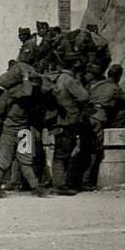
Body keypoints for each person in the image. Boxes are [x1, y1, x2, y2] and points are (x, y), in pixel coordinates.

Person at [0, 68, 50, 199]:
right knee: (4, 161)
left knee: (26, 160)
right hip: (10, 130)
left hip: (23, 130)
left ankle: (36, 187)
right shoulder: (15, 93)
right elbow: (27, 92)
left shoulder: (30, 96)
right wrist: (26, 78)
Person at [47, 61, 88, 195]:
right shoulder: (68, 79)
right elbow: (84, 96)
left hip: (56, 120)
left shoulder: (55, 78)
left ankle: (60, 183)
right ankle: (60, 185)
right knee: (63, 154)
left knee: (60, 152)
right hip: (67, 121)